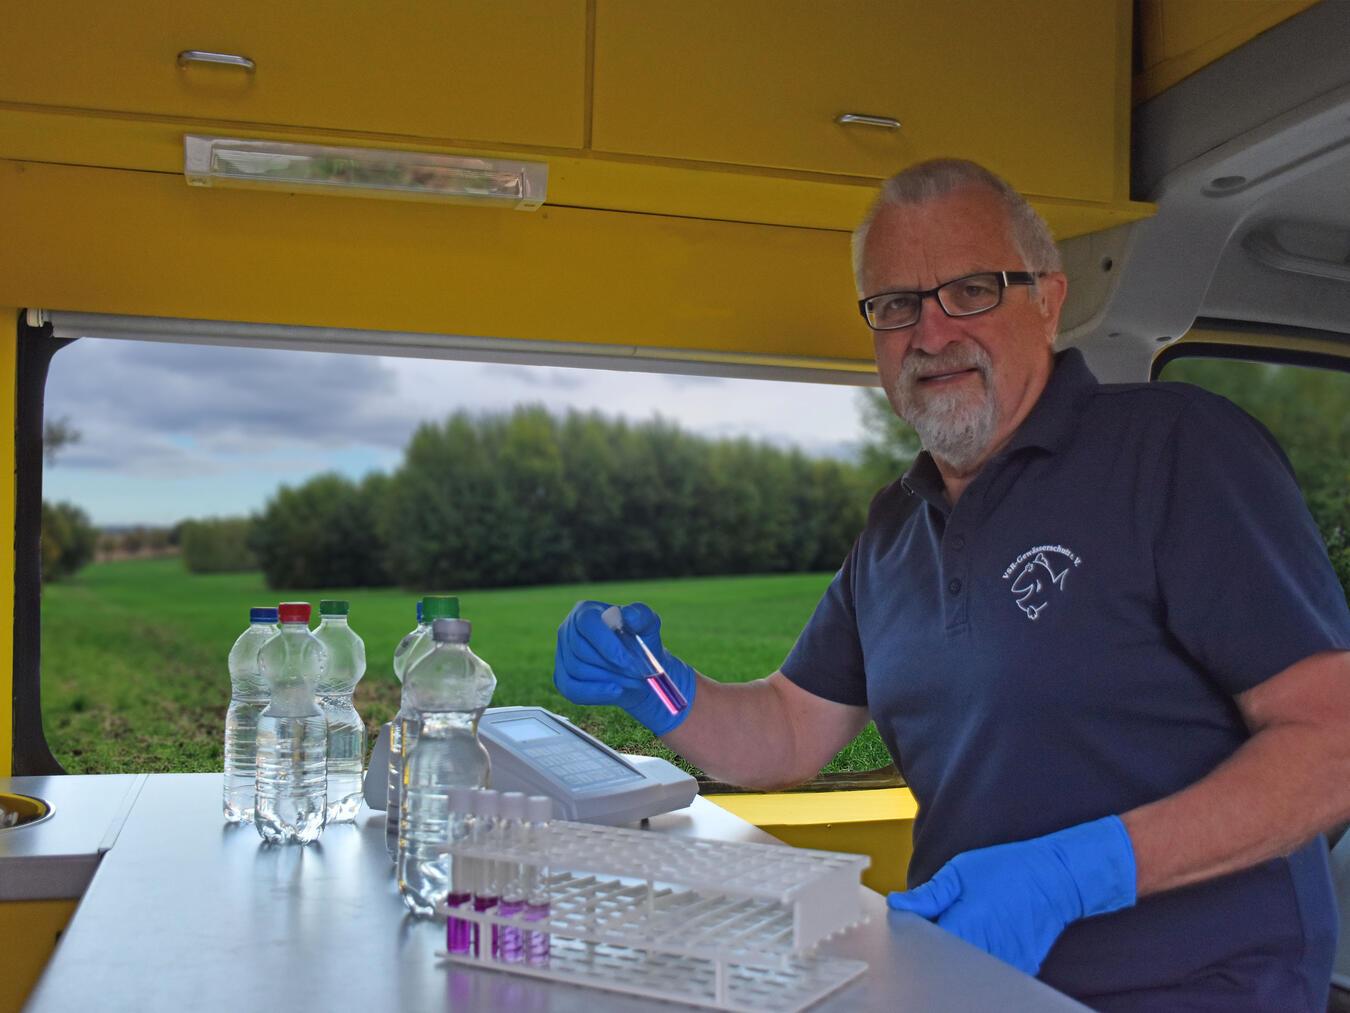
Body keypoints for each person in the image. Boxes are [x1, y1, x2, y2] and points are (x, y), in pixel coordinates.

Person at [553, 159, 1350, 1011]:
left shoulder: (1178, 451)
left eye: (970, 290)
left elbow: (1333, 739)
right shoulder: (895, 527)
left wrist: (1078, 874)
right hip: (967, 985)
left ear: (1047, 297)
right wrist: (661, 684)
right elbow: (788, 728)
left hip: (1198, 991)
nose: (930, 335)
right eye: (894, 305)